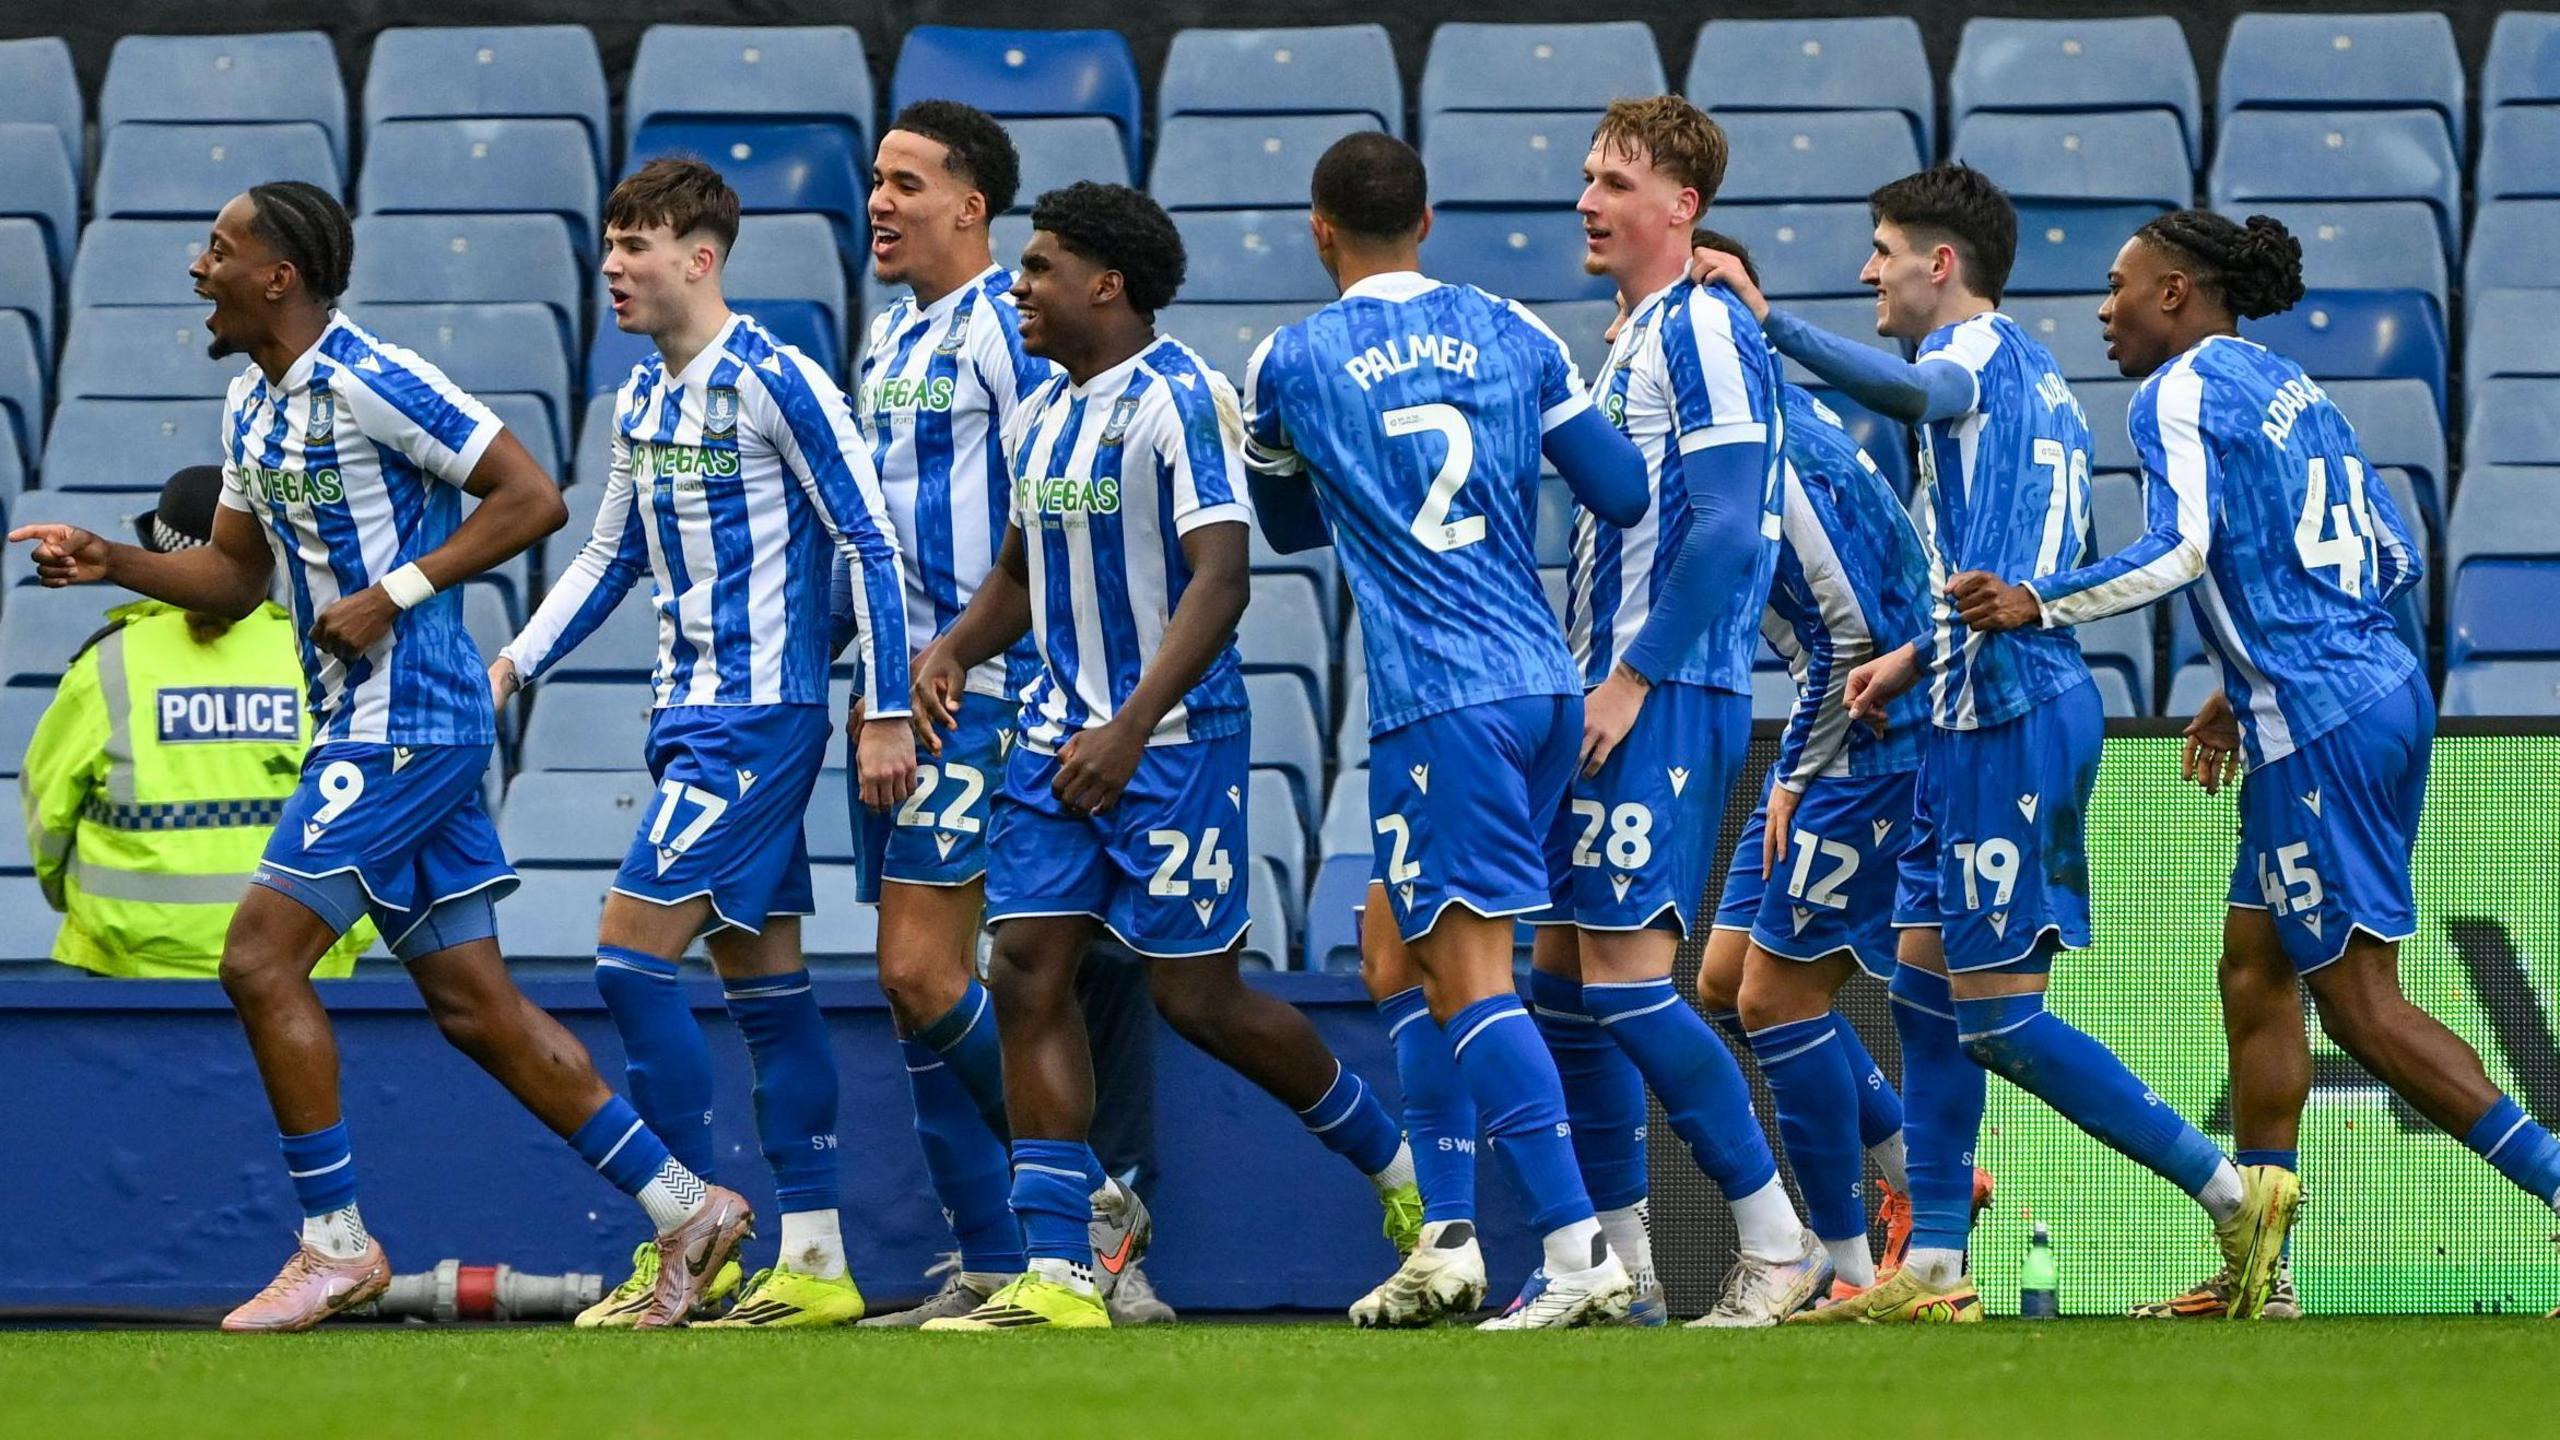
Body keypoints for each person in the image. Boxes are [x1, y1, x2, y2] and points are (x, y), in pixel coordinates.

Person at [8, 181, 744, 1333]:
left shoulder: (372, 377)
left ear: (278, 277)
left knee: (258, 960)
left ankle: (335, 1244)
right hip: (378, 728)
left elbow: (532, 496)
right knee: (478, 1010)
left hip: (409, 721)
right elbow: (234, 579)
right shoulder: (253, 409)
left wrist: (393, 591)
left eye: (219, 249)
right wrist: (108, 559)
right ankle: (686, 1208)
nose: (199, 268)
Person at [1691, 164, 2298, 1324]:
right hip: (1969, 705)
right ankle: (1932, 1270)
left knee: (1998, 1020)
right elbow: (2009, 549)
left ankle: (2230, 1199)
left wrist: (1775, 327)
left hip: (2013, 717)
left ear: (1941, 263)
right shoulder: (2037, 386)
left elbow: (1917, 404)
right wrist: (1913, 656)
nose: (1869, 270)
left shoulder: (1965, 360)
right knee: (1925, 999)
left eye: (1881, 249)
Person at [2001, 211, 2560, 1321]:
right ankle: (2261, 1268)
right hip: (2369, 686)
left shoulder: (2172, 394)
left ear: (2174, 293)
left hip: (2317, 718)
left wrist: (2040, 599)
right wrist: (2245, 675)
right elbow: (2392, 557)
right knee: (2255, 967)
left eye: (2118, 287)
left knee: (2356, 1005)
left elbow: (2179, 549)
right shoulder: (2293, 388)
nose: (2100, 309)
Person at [910, 181, 1420, 1332]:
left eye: (1039, 267)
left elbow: (1222, 577)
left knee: (1199, 999)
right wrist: (952, 646)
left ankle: (1404, 1179)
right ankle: (1060, 1269)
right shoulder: (1045, 411)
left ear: (1108, 283)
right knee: (1025, 969)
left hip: (1172, 749)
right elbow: (1017, 574)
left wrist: (1131, 725)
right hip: (1052, 744)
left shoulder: (1181, 398)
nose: (1018, 286)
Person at [492, 158, 915, 1329]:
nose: (614, 266)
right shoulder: (643, 399)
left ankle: (683, 1222)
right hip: (686, 719)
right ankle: (819, 1263)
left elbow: (870, 546)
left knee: (629, 958)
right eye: (611, 244)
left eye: (637, 245)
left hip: (759, 721)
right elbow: (606, 556)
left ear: (701, 257)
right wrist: (512, 664)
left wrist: (881, 709)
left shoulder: (779, 381)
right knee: (766, 987)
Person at [1244, 132, 1653, 1330]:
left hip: (1440, 700)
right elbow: (1621, 491)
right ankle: (1452, 1239)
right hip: (1540, 684)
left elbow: (1284, 523)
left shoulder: (1291, 358)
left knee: (1471, 978)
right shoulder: (1514, 328)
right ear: (1426, 220)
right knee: (1397, 952)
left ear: (1320, 228)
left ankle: (1578, 1256)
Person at [1513, 95, 1821, 1330]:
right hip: (1606, 688)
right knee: (1558, 981)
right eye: (1586, 178)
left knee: (1633, 985)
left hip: (1670, 691)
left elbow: (1732, 522)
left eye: (1615, 183)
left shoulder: (1699, 326)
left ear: (1682, 207)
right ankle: (1620, 1266)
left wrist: (1635, 676)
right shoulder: (1631, 335)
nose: (1588, 201)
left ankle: (1776, 1240)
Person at [1679, 233, 1938, 1302]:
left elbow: (1856, 635)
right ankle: (1913, 1176)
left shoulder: (1777, 465)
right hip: (1837, 732)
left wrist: (1789, 776)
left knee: (1777, 1001)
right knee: (1721, 987)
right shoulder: (1787, 421)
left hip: (1872, 743)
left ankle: (1838, 1267)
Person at [21, 466, 368, 978]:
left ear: (156, 560)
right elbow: (372, 802)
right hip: (302, 964)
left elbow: (48, 818)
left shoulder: (108, 664)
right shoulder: (322, 657)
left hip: (133, 969)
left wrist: (84, 905)